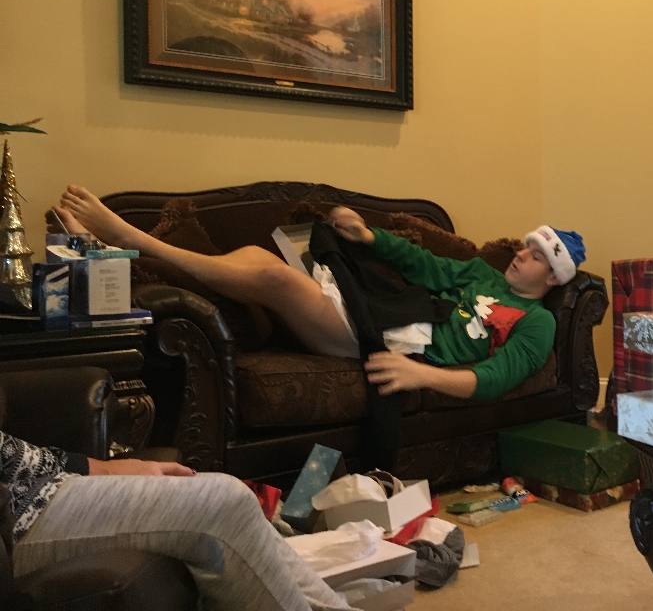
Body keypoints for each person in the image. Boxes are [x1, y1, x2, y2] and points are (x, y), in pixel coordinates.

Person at [52, 185, 587, 402]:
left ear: (553, 278)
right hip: (379, 313)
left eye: (537, 255)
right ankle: (124, 250)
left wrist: (421, 375)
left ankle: (130, 240)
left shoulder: (539, 323)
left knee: (276, 279)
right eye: (526, 246)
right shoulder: (480, 274)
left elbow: (495, 378)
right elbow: (423, 264)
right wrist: (368, 236)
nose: (522, 254)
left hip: (397, 343)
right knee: (259, 258)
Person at [4, 421, 355, 610]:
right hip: (13, 519)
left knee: (228, 494)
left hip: (33, 486)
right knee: (221, 503)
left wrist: (101, 468)